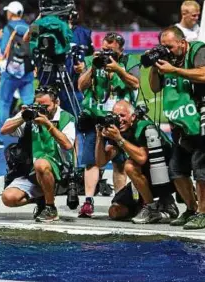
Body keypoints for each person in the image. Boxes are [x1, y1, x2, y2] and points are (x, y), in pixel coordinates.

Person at [77, 32, 140, 217]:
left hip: (120, 120)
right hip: (94, 116)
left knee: (120, 164)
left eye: (111, 51)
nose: (107, 54)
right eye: (104, 49)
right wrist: (93, 68)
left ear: (121, 50)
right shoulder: (91, 60)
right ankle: (88, 202)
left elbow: (136, 84)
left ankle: (120, 202)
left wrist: (118, 69)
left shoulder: (129, 61)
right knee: (91, 162)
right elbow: (81, 86)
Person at [149, 25, 205, 229]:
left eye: (170, 46)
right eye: (162, 46)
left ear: (182, 43)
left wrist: (175, 70)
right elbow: (155, 87)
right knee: (176, 170)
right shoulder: (167, 59)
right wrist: (155, 67)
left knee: (201, 169)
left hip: (200, 119)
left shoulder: (198, 50)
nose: (167, 50)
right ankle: (191, 208)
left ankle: (203, 213)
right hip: (180, 124)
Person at [95, 100, 179, 223]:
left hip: (166, 178)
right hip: (143, 180)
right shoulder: (118, 130)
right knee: (115, 211)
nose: (119, 120)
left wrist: (119, 139)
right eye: (116, 116)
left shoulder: (144, 127)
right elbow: (100, 162)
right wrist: (99, 137)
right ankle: (159, 206)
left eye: (122, 115)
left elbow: (141, 158)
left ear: (133, 116)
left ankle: (152, 208)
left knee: (130, 166)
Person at [1, 86, 75, 222]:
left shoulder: (66, 117)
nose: (41, 109)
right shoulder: (31, 112)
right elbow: (4, 130)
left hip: (59, 169)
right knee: (8, 198)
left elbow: (67, 145)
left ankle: (51, 208)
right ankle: (42, 200)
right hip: (31, 170)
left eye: (45, 106)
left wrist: (48, 125)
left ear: (56, 103)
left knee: (40, 164)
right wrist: (23, 117)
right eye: (38, 105)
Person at [0, 1, 34, 149]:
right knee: (29, 103)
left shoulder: (8, 28)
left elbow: (1, 50)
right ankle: (32, 134)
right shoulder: (29, 27)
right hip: (27, 71)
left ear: (11, 13)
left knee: (4, 103)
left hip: (10, 72)